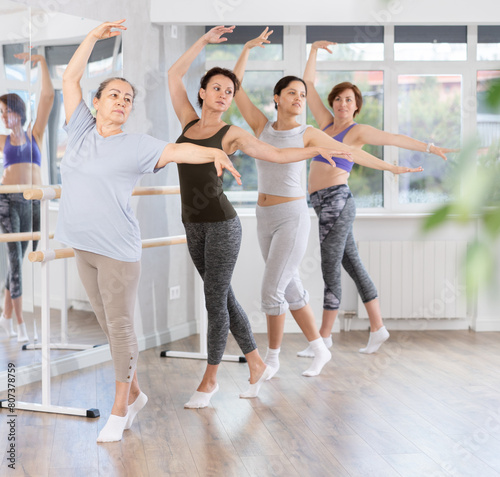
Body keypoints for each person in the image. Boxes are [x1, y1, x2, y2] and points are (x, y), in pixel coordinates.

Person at [57, 20, 241, 443]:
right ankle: (135, 392)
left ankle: (120, 409)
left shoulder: (136, 145)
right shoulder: (80, 130)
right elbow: (70, 77)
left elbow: (178, 149)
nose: (122, 101)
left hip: (118, 251)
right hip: (82, 245)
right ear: (97, 102)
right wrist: (91, 38)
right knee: (106, 325)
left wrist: (213, 153)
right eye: (114, 95)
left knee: (120, 328)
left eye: (128, 98)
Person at [168, 26, 343, 408]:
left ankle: (210, 381)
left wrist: (315, 152)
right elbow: (173, 75)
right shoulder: (186, 123)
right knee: (224, 298)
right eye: (216, 87)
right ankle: (256, 362)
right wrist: (204, 42)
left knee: (214, 300)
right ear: (202, 92)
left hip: (224, 223)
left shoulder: (234, 132)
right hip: (192, 223)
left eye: (229, 91)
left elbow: (278, 156)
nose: (224, 94)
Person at [233, 29, 424, 370]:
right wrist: (246, 49)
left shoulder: (308, 133)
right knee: (289, 285)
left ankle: (272, 359)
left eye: (303, 95)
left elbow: (352, 153)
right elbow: (236, 88)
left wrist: (391, 168)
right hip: (264, 216)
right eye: (291, 93)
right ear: (276, 98)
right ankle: (321, 346)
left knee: (271, 290)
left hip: (292, 214)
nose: (298, 98)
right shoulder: (261, 126)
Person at [298, 40, 458, 356]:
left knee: (329, 268)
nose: (343, 103)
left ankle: (323, 339)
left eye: (349, 99)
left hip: (337, 202)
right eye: (338, 99)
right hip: (323, 204)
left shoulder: (357, 131)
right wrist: (313, 50)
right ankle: (378, 327)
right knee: (353, 266)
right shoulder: (325, 125)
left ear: (357, 105)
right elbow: (308, 84)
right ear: (333, 104)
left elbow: (393, 138)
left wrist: (428, 147)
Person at [0, 53, 54, 342]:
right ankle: (20, 324)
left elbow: (47, 96)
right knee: (15, 261)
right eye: (0, 114)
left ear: (17, 111)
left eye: (5, 111)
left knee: (19, 260)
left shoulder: (35, 133)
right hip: (8, 201)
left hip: (35, 202)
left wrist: (42, 62)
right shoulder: (3, 140)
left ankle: (4, 316)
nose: (4, 118)